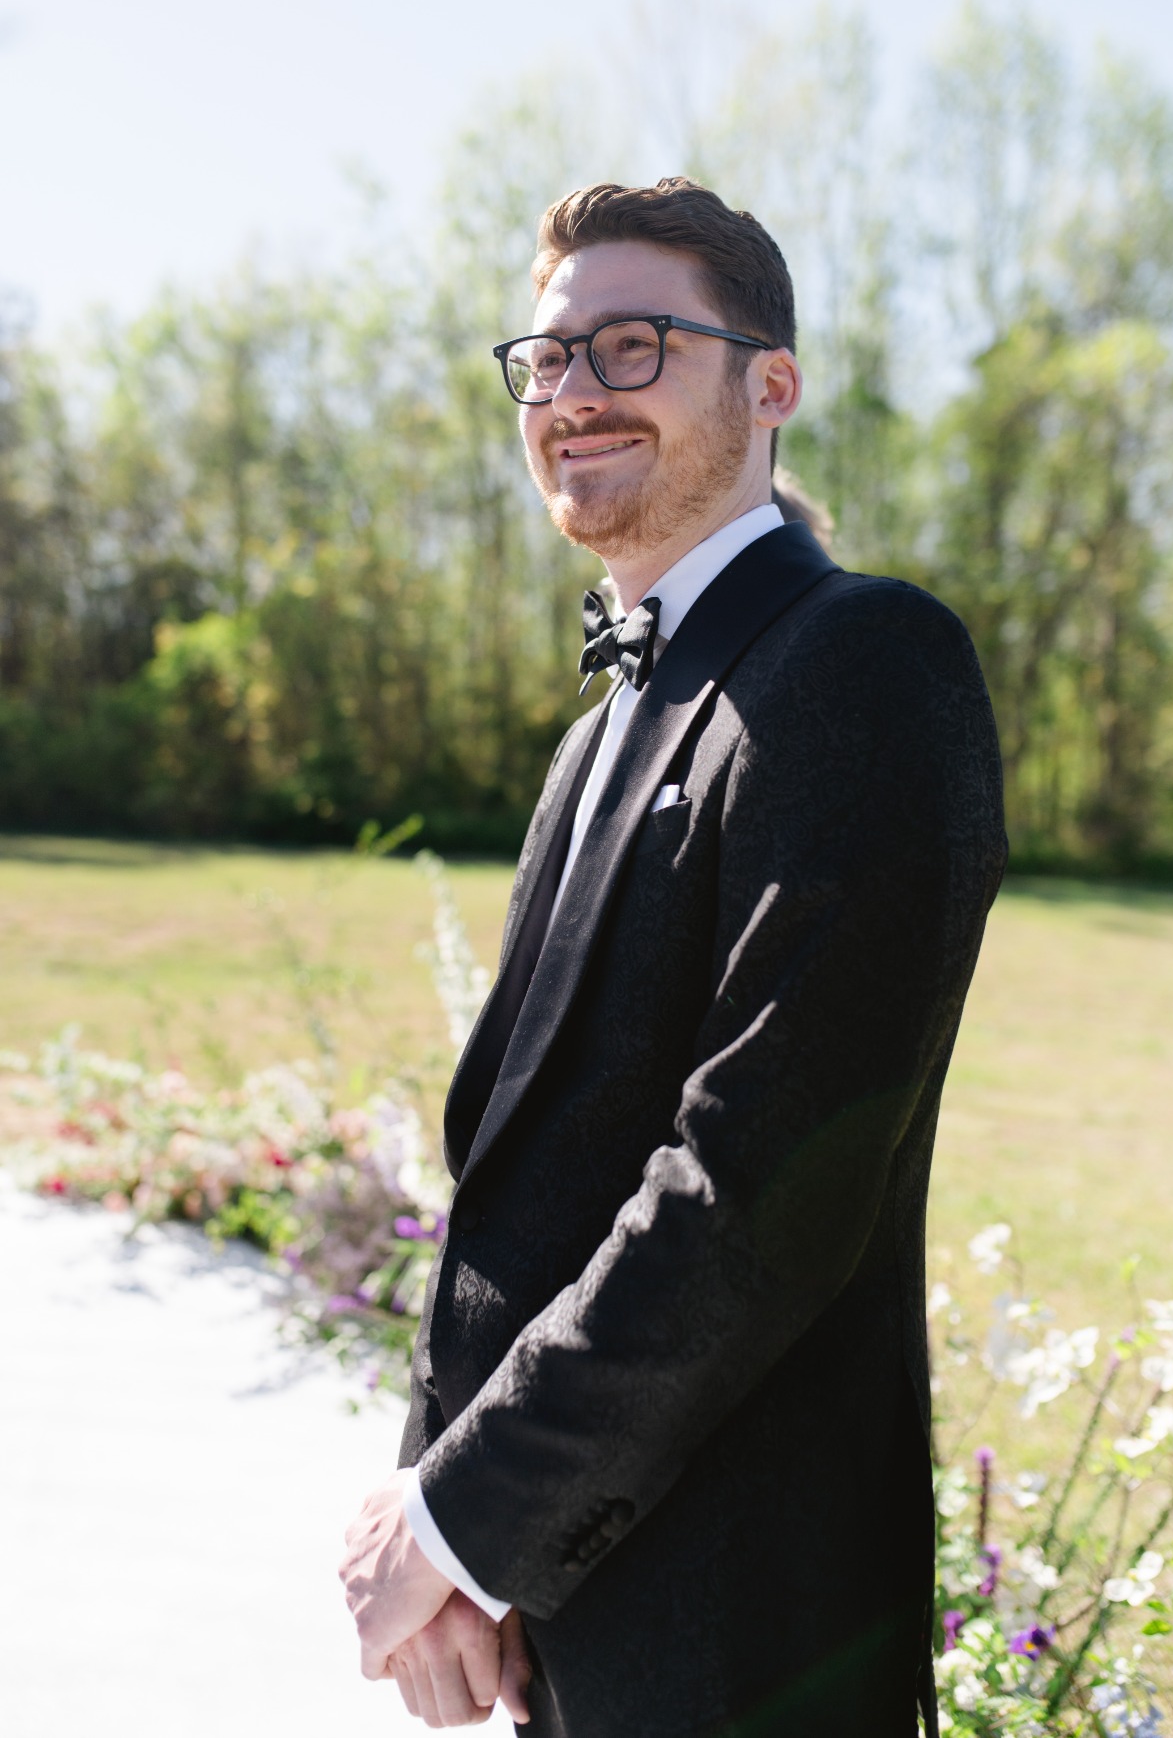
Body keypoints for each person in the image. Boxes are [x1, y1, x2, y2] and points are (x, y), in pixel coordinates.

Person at [340, 177, 1007, 1737]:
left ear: (770, 388)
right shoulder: (596, 741)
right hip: (562, 1610)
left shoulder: (865, 664)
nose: (572, 393)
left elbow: (757, 1188)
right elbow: (525, 1184)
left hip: (739, 1637)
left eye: (632, 347)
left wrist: (452, 1524)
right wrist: (448, 1518)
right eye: (549, 359)